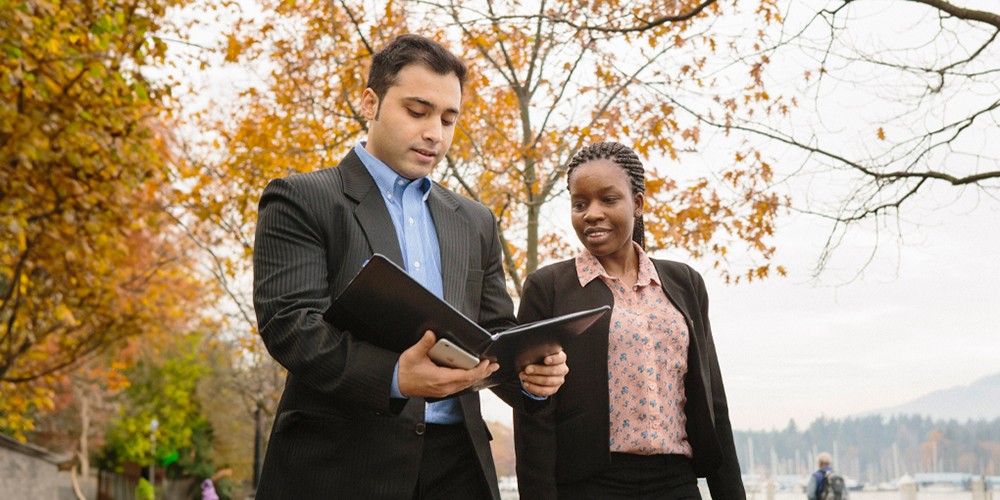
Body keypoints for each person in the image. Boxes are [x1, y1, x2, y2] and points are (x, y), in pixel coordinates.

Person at [252, 34, 569, 499]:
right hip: (341, 465)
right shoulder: (302, 197)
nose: (434, 134)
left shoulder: (476, 221)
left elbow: (494, 333)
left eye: (447, 118)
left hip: (458, 468)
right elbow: (290, 325)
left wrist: (532, 377)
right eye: (417, 112)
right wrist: (395, 376)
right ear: (370, 103)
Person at [513, 141, 745, 499]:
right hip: (590, 487)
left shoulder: (685, 283)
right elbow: (534, 416)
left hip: (677, 483)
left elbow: (713, 400)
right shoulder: (548, 288)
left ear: (637, 203)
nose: (591, 213)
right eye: (580, 203)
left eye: (608, 199)